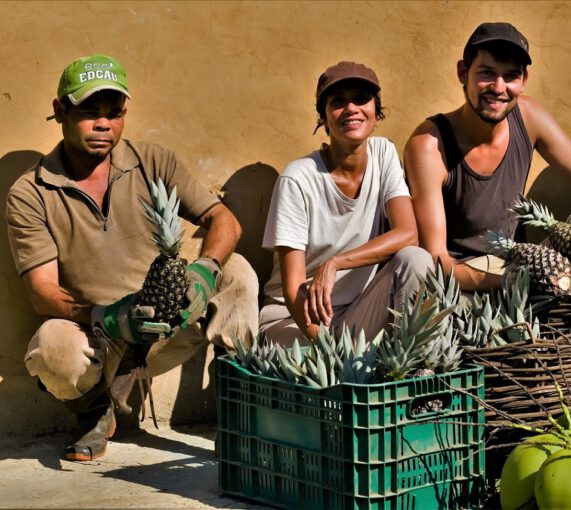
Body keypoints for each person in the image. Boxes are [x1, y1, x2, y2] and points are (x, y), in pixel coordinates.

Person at [5, 54, 259, 461]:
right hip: (100, 336)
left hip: (168, 326)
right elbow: (42, 292)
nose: (104, 123)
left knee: (238, 270)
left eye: (115, 112)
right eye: (89, 111)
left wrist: (204, 271)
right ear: (60, 111)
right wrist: (109, 316)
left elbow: (223, 219)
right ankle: (94, 412)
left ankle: (240, 406)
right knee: (52, 348)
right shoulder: (30, 192)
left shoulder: (154, 161)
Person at [404, 22, 571, 293]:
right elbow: (437, 259)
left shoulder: (529, 115)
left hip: (521, 257)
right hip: (467, 276)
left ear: (524, 81)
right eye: (487, 73)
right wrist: (510, 283)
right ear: (463, 73)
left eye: (510, 76)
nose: (499, 88)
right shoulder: (429, 144)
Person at [259, 61, 432, 345]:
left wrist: (335, 263)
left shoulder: (384, 154)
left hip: (358, 312)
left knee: (416, 260)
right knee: (314, 373)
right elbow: (293, 291)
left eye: (361, 99)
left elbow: (408, 233)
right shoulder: (297, 180)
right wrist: (329, 353)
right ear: (323, 118)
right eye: (338, 101)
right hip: (294, 320)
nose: (351, 108)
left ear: (376, 112)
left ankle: (415, 367)